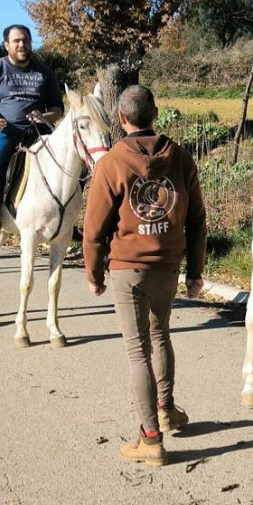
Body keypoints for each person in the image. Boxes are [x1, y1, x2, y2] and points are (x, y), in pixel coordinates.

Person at [82, 84, 207, 468]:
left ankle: (150, 439)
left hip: (128, 269)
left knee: (138, 351)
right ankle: (166, 409)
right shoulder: (181, 157)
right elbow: (198, 220)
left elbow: (93, 228)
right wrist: (195, 273)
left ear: (121, 119)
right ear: (156, 112)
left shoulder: (111, 163)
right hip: (167, 268)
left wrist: (94, 272)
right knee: (161, 336)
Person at [0, 24, 64, 243]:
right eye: (16, 41)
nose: (22, 44)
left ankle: (66, 217)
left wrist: (46, 117)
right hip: (6, 129)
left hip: (39, 131)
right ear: (6, 45)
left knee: (68, 162)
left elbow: (58, 108)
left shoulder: (44, 72)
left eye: (25, 40)